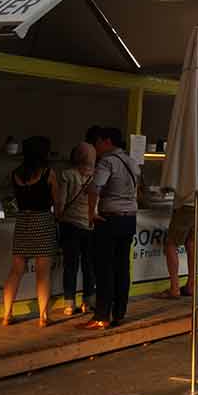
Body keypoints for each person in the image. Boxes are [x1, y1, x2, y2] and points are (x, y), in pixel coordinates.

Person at [78, 127, 140, 330]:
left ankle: (102, 315)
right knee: (122, 267)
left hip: (109, 219)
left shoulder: (107, 161)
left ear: (106, 141)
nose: (95, 147)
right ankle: (119, 313)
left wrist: (91, 212)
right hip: (129, 219)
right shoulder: (131, 161)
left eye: (97, 142)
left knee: (104, 268)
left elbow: (96, 187)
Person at [3, 136, 59, 327]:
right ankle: (43, 317)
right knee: (43, 273)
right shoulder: (48, 173)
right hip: (42, 220)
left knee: (16, 271)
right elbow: (56, 202)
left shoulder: (15, 174)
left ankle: (7, 314)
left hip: (22, 222)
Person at [58, 142, 96, 316]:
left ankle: (69, 303)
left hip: (70, 225)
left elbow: (61, 202)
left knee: (70, 265)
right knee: (89, 266)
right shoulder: (97, 176)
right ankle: (88, 302)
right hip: (91, 224)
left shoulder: (67, 175)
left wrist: (58, 215)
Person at [156, 186, 198, 299]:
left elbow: (173, 182)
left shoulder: (186, 167)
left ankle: (174, 288)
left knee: (171, 244)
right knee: (192, 243)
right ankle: (191, 285)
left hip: (186, 206)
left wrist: (164, 188)